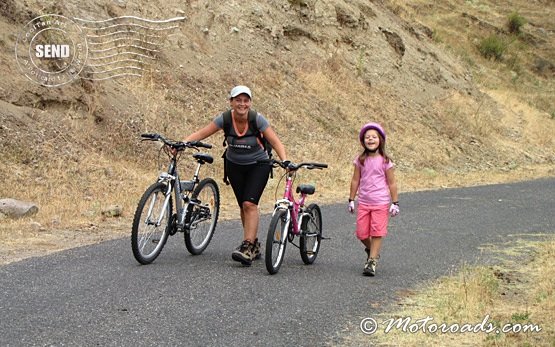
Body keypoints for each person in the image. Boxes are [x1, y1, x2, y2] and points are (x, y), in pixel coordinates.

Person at [183, 85, 287, 266]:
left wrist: (285, 161)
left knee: (250, 204)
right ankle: (253, 244)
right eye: (238, 100)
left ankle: (247, 247)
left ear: (250, 103)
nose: (242, 104)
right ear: (231, 102)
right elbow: (202, 133)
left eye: (246, 100)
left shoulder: (257, 119)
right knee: (243, 206)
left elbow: (275, 141)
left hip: (258, 165)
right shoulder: (225, 119)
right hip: (234, 165)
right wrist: (182, 143)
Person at [348, 122, 399, 276]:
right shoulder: (360, 160)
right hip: (364, 201)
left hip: (381, 202)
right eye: (367, 137)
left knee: (377, 231)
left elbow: (392, 182)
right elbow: (355, 180)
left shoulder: (385, 161)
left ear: (380, 140)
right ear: (363, 141)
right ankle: (373, 251)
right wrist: (351, 199)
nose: (370, 139)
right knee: (361, 233)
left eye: (374, 137)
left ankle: (371, 262)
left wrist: (395, 202)